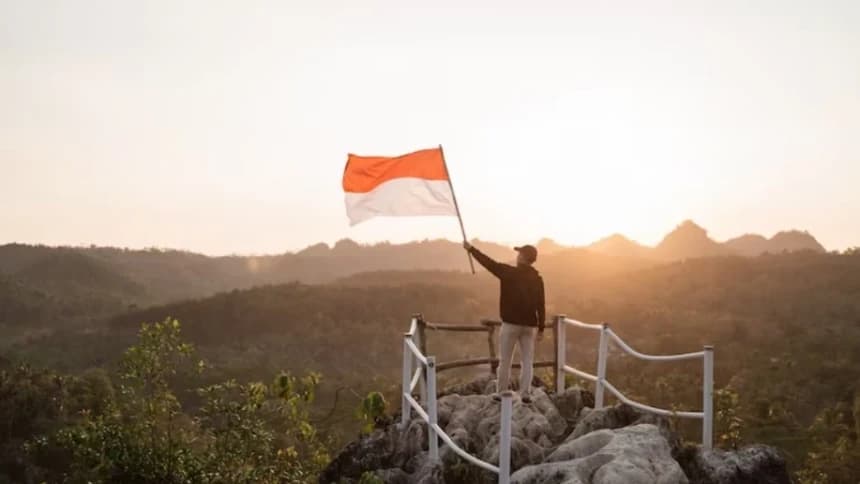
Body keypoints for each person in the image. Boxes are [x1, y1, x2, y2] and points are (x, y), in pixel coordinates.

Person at [463, 241, 545, 403]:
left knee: (505, 360)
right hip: (530, 325)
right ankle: (525, 394)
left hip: (511, 324)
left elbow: (489, 264)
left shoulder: (509, 273)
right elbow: (541, 304)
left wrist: (471, 249)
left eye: (519, 253)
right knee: (527, 361)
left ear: (522, 257)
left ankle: (501, 393)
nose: (517, 255)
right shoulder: (537, 279)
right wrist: (541, 328)